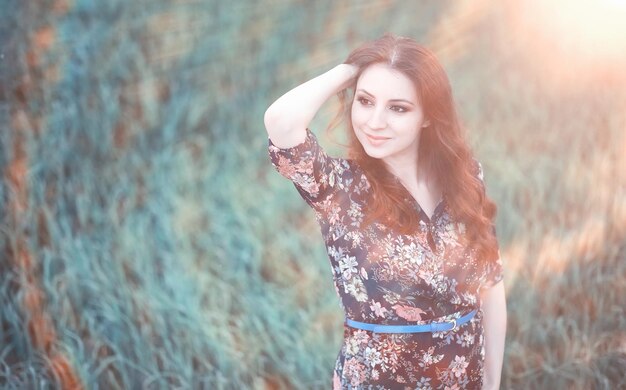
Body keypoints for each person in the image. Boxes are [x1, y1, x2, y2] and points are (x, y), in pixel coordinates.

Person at [264, 33, 507, 390]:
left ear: (428, 116)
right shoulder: (338, 187)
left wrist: (491, 382)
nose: (375, 122)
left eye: (398, 107)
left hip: (463, 377)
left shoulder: (465, 175)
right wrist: (351, 70)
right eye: (365, 101)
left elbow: (490, 282)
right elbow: (281, 122)